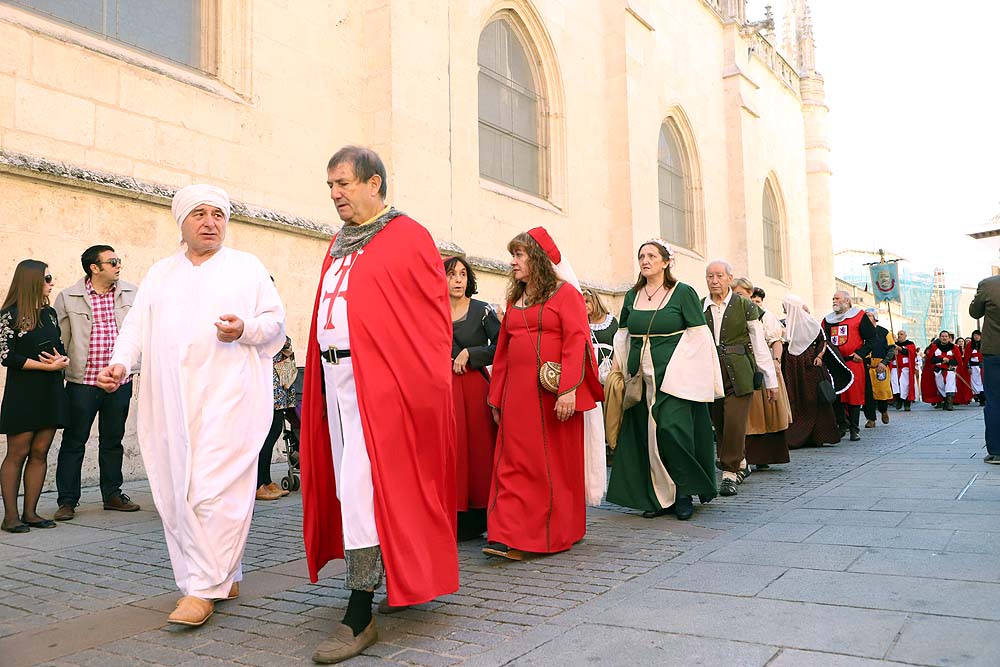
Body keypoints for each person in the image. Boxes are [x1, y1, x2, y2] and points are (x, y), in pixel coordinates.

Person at [97, 184, 286, 626]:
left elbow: (275, 325)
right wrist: (121, 364)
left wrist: (244, 329)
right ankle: (226, 572)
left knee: (214, 491)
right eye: (199, 214)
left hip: (229, 400)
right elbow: (136, 329)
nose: (210, 222)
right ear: (181, 222)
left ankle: (202, 588)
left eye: (218, 214)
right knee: (176, 489)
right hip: (170, 404)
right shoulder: (161, 273)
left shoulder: (247, 267)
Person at [300, 146, 459, 664]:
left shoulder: (408, 237)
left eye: (343, 183)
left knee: (366, 485)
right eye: (330, 186)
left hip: (384, 388)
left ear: (374, 183)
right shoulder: (339, 241)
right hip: (336, 380)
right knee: (353, 487)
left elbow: (429, 324)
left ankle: (360, 611)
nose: (335, 194)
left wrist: (407, 385)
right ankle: (389, 576)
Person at [485, 227, 604, 559]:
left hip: (552, 396)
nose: (512, 262)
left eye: (519, 255)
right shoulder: (513, 299)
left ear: (536, 258)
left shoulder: (566, 295)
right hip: (516, 396)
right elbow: (503, 352)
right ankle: (506, 532)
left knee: (548, 467)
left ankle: (547, 534)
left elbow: (576, 341)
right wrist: (496, 397)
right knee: (511, 462)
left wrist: (567, 389)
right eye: (513, 255)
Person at [605, 240, 719, 520]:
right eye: (641, 255)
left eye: (652, 256)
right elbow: (623, 335)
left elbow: (699, 336)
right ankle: (659, 495)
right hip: (641, 377)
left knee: (671, 430)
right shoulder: (633, 296)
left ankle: (684, 491)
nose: (645, 260)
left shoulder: (683, 293)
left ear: (666, 262)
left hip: (675, 374)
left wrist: (693, 374)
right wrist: (619, 369)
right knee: (647, 435)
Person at [51, 246, 139, 521]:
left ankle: (112, 494)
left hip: (119, 380)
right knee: (74, 441)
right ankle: (67, 501)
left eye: (118, 260)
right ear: (94, 267)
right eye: (112, 261)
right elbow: (60, 339)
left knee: (113, 440)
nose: (118, 265)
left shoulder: (132, 294)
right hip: (82, 382)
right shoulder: (68, 297)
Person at [1, 260, 69, 533]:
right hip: (23, 392)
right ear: (32, 280)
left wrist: (61, 360)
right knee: (17, 452)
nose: (51, 281)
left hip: (50, 390)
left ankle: (30, 512)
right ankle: (11, 516)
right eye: (47, 277)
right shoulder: (9, 315)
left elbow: (59, 348)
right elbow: (6, 356)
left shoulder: (51, 313)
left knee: (40, 452)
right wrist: (46, 366)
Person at [703, 261, 777, 496]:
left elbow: (759, 343)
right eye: (710, 276)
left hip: (740, 373)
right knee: (721, 423)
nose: (714, 280)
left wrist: (771, 381)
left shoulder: (745, 305)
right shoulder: (698, 307)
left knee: (735, 422)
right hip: (711, 372)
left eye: (719, 276)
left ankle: (729, 473)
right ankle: (741, 462)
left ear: (729, 278)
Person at [445, 255, 500, 541]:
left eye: (462, 274)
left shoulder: (481, 310)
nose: (457, 279)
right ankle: (449, 517)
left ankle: (480, 516)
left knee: (478, 452)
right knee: (450, 452)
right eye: (451, 274)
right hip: (442, 392)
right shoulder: (432, 311)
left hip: (475, 391)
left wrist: (472, 354)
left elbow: (503, 344)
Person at [734, 282, 791, 471]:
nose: (737, 296)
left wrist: (775, 361)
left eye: (741, 293)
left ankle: (763, 455)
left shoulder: (764, 316)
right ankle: (739, 457)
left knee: (763, 413)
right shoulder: (730, 315)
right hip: (738, 368)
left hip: (761, 368)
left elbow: (776, 341)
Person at [781, 295, 849, 449]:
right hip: (791, 365)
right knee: (794, 397)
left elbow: (822, 340)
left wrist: (819, 356)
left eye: (785, 306)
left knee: (812, 398)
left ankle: (817, 434)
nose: (783, 309)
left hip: (809, 364)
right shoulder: (785, 324)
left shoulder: (810, 323)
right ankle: (796, 435)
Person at [822, 291, 877, 441]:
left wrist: (861, 353)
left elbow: (872, 338)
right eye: (833, 298)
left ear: (847, 300)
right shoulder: (827, 320)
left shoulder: (858, 316)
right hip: (835, 364)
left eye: (837, 298)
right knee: (837, 395)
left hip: (854, 362)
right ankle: (841, 426)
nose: (834, 301)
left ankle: (854, 428)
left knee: (854, 396)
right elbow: (823, 340)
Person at [256, 335, 296, 501]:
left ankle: (267, 480)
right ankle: (258, 484)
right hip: (266, 387)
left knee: (274, 432)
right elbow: (280, 341)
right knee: (266, 437)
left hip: (278, 387)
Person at [970, 276, 1000, 463]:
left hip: (994, 351)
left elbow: (974, 312)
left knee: (995, 400)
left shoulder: (988, 284)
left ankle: (997, 451)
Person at [862, 309, 895, 428]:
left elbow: (891, 349)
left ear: (875, 317)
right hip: (865, 367)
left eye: (869, 316)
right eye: (865, 316)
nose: (867, 318)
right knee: (867, 394)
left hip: (880, 366)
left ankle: (883, 410)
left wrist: (884, 362)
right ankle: (871, 419)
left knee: (881, 392)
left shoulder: (884, 332)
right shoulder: (861, 332)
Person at [921, 331, 964, 411]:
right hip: (938, 370)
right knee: (940, 386)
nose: (944, 338)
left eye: (946, 336)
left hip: (950, 369)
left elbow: (958, 360)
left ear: (948, 337)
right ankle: (945, 401)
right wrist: (941, 359)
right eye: (943, 336)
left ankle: (950, 404)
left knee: (950, 385)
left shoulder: (954, 347)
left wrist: (948, 361)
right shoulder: (934, 347)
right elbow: (931, 359)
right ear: (940, 337)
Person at [584, 288, 617, 377]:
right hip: (587, 371)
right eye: (581, 302)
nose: (584, 305)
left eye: (587, 302)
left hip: (606, 371)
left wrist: (614, 371)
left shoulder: (611, 321)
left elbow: (618, 348)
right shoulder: (582, 323)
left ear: (595, 302)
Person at [890, 330, 918, 411]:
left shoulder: (910, 344)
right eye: (898, 334)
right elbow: (889, 355)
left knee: (905, 385)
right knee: (895, 384)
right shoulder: (893, 344)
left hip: (905, 369)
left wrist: (899, 348)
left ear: (905, 335)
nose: (899, 336)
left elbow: (911, 353)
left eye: (901, 334)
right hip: (895, 368)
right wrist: (893, 353)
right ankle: (898, 400)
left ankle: (906, 403)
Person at [965, 331, 985, 406]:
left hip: (982, 367)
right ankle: (981, 398)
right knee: (974, 384)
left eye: (978, 335)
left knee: (983, 382)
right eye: (975, 335)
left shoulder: (984, 344)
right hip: (973, 368)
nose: (976, 337)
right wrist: (968, 367)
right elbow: (967, 358)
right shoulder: (969, 345)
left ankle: (984, 399)